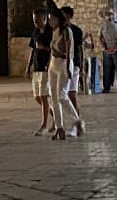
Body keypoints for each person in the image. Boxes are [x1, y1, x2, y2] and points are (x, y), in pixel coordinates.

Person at [46, 11, 75, 140]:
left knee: (62, 95)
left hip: (63, 64)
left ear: (58, 19)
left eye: (52, 19)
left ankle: (77, 120)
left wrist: (69, 67)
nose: (50, 21)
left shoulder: (66, 31)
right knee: (53, 97)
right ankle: (59, 127)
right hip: (53, 64)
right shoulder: (54, 31)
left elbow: (69, 51)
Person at [27, 9, 55, 135]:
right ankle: (55, 116)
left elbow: (54, 49)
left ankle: (44, 125)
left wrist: (44, 50)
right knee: (37, 97)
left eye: (37, 20)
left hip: (45, 67)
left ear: (44, 19)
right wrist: (28, 67)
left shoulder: (50, 32)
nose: (35, 23)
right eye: (34, 21)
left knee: (44, 96)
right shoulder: (35, 32)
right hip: (37, 68)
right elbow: (33, 49)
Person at [61, 5, 85, 133]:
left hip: (73, 63)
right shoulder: (59, 30)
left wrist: (81, 65)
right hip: (61, 64)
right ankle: (74, 121)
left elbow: (80, 48)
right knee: (64, 95)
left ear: (69, 16)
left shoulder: (76, 31)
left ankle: (77, 122)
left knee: (71, 93)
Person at [100, 10, 117, 93]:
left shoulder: (102, 26)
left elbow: (100, 39)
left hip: (107, 51)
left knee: (106, 70)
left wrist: (106, 48)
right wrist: (115, 48)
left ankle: (106, 87)